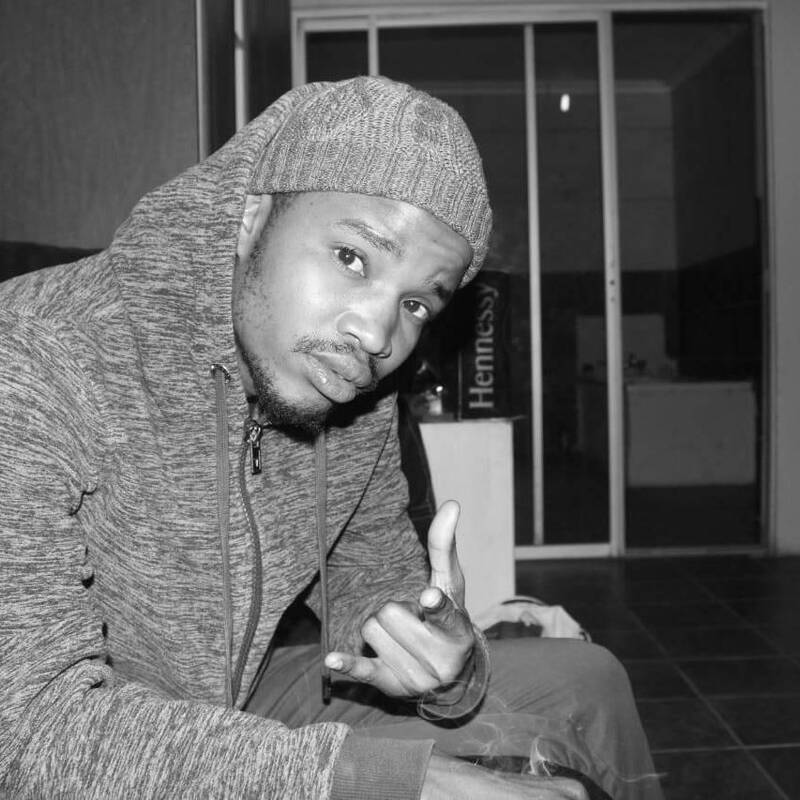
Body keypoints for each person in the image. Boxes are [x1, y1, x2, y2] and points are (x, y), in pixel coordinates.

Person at [0, 76, 662, 799]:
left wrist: (442, 660)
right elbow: (25, 731)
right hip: (76, 735)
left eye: (416, 303)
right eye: (352, 257)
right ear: (250, 216)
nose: (376, 336)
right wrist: (391, 782)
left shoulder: (350, 397)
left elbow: (374, 585)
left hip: (232, 701)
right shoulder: (31, 357)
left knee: (587, 682)